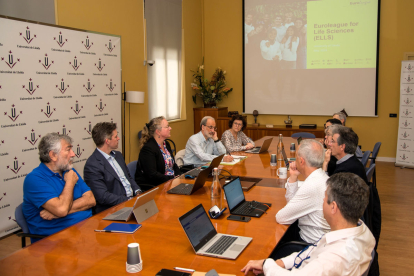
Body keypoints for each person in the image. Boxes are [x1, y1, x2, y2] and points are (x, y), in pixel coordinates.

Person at [241, 173, 375, 276]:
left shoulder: (334, 259)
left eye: (325, 198)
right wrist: (280, 263)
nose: (323, 200)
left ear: (333, 207)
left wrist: (267, 264)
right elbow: (312, 250)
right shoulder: (360, 229)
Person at [23, 133, 95, 239]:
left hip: (86, 229)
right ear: (53, 155)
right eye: (68, 149)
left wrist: (58, 213)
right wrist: (70, 183)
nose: (73, 154)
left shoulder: (69, 170)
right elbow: (61, 209)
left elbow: (91, 200)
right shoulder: (34, 179)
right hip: (56, 240)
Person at [275, 139, 330, 244]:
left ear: (301, 161)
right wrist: (293, 177)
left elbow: (281, 217)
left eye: (296, 156)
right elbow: (292, 204)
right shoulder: (320, 176)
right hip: (317, 238)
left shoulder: (312, 185)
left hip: (310, 244)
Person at [84, 122, 141, 213]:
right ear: (107, 141)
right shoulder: (92, 165)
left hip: (131, 202)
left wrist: (137, 192)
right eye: (115, 136)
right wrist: (129, 200)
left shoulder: (118, 155)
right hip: (113, 209)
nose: (118, 138)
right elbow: (103, 197)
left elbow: (128, 177)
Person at [135, 116, 181, 191]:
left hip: (170, 182)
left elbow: (173, 164)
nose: (170, 128)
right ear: (158, 131)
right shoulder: (148, 149)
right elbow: (152, 175)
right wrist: (172, 178)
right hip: (157, 186)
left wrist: (179, 176)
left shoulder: (166, 144)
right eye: (167, 127)